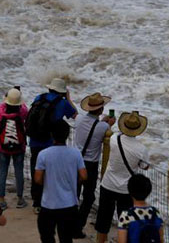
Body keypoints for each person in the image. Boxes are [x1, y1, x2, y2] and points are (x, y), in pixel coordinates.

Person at [95, 111, 150, 243]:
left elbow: (108, 134)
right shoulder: (141, 149)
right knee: (125, 224)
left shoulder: (114, 139)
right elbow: (145, 166)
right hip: (126, 190)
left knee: (103, 221)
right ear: (138, 130)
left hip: (107, 184)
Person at [28, 77, 77, 212]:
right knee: (50, 173)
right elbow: (75, 114)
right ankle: (48, 201)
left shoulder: (39, 97)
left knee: (36, 170)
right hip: (50, 143)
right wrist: (68, 99)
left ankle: (36, 202)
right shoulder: (62, 103)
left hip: (33, 141)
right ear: (62, 92)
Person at [34, 120, 87, 243]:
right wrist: (74, 181)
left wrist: (48, 182)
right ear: (67, 135)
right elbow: (84, 176)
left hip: (49, 204)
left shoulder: (43, 154)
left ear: (52, 135)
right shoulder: (75, 153)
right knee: (66, 238)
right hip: (69, 204)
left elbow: (37, 179)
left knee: (47, 236)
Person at [73, 92, 115, 237]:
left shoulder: (78, 119)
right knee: (88, 197)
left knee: (74, 194)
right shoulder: (103, 127)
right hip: (90, 165)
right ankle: (78, 227)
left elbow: (82, 119)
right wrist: (108, 124)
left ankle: (69, 224)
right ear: (101, 110)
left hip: (75, 162)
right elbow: (108, 133)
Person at [0, 87, 29, 210]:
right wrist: (19, 97)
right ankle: (20, 199)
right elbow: (25, 109)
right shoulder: (22, 112)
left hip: (2, 147)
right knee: (19, 172)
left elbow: (2, 107)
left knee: (2, 172)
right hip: (18, 147)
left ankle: (2, 201)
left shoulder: (1, 110)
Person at [117, 174, 163, 243]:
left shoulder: (126, 216)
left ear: (130, 191)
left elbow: (122, 241)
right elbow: (161, 239)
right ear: (148, 191)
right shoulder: (156, 213)